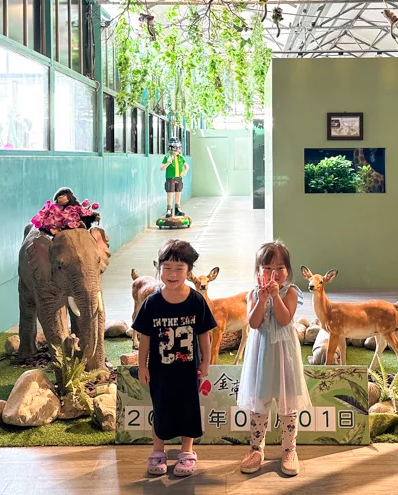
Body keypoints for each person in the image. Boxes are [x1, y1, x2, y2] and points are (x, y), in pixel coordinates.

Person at [132, 239, 217, 478]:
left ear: (189, 272)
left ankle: (187, 452)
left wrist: (205, 362)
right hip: (160, 372)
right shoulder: (152, 303)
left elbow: (204, 335)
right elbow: (145, 338)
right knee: (160, 409)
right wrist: (142, 366)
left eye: (179, 268)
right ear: (159, 269)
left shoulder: (196, 301)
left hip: (189, 371)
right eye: (167, 267)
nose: (172, 273)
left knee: (188, 410)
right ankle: (158, 451)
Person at [236, 241, 311, 477]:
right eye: (267, 268)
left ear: (287, 270)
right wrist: (260, 299)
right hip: (261, 353)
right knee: (260, 401)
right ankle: (256, 449)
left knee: (287, 403)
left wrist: (275, 296)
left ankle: (289, 450)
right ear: (259, 271)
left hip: (285, 354)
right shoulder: (252, 293)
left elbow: (285, 319)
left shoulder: (290, 292)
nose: (273, 273)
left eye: (279, 267)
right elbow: (254, 323)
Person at [160, 138, 189, 218]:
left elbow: (187, 166)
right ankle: (169, 209)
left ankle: (177, 208)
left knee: (178, 192)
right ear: (171, 148)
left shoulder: (180, 157)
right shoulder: (168, 157)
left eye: (178, 148)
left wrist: (185, 171)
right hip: (170, 178)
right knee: (170, 193)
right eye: (174, 148)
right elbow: (162, 168)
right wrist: (168, 163)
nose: (176, 150)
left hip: (178, 178)